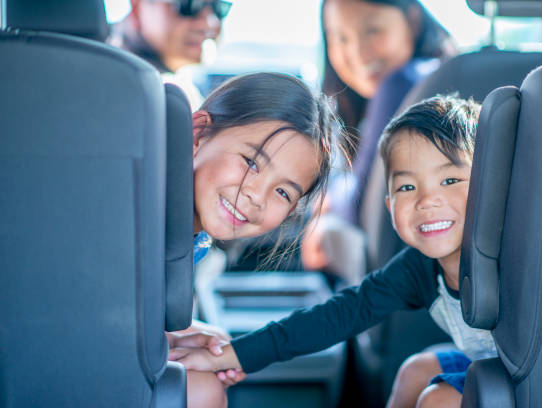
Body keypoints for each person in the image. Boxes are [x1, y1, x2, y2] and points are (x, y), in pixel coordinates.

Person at [168, 94, 498, 408]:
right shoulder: (418, 268)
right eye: (407, 187)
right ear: (389, 205)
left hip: (534, 371)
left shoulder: (511, 258)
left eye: (451, 180)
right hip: (487, 361)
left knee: (438, 398)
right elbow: (339, 315)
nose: (428, 200)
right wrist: (234, 354)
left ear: (489, 186)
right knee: (416, 371)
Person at [169, 71, 340, 408]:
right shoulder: (144, 221)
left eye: (282, 191)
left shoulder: (190, 235)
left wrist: (185, 335)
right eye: (251, 162)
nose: (256, 196)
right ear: (198, 133)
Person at [301, 0, 457, 277]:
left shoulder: (400, 84)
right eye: (340, 38)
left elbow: (360, 205)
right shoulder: (447, 73)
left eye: (372, 30)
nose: (358, 52)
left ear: (413, 20)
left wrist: (330, 200)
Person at [110, 0, 232, 109]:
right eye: (188, 5)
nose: (209, 24)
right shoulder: (117, 83)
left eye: (219, 7)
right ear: (138, 9)